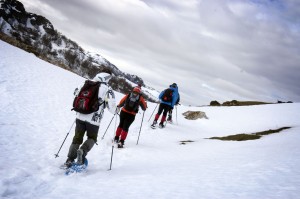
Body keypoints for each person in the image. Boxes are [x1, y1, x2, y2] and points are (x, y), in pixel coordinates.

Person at [64, 71, 116, 167]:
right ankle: (82, 151)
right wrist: (116, 110)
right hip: (94, 119)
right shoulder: (108, 89)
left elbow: (75, 93)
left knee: (77, 138)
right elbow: (111, 107)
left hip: (80, 115)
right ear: (108, 78)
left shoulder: (85, 83)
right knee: (92, 138)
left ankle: (70, 159)